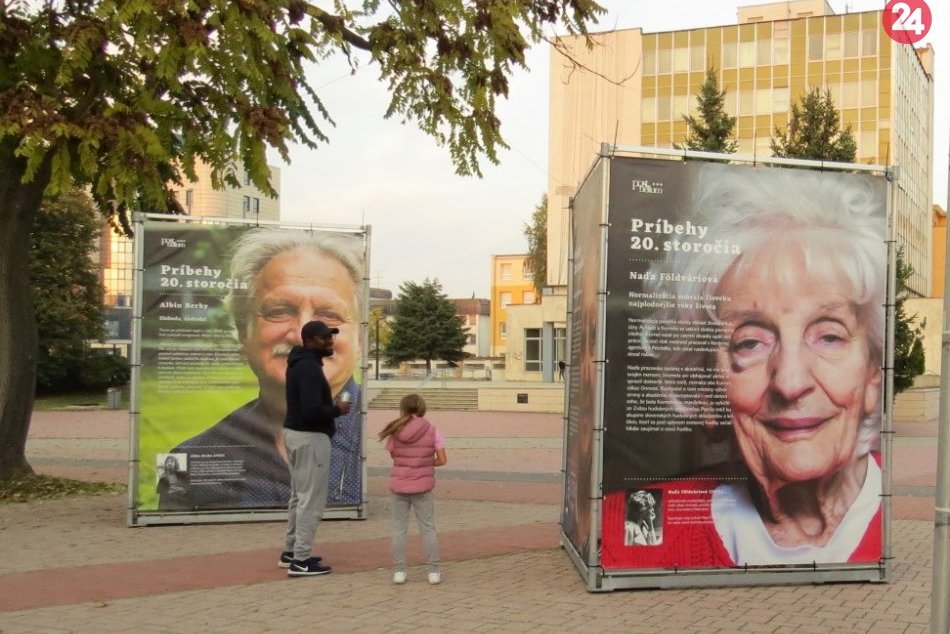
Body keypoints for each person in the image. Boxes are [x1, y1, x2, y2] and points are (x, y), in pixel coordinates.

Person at [601, 164, 886, 568]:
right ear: (705, 390)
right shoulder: (633, 525)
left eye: (829, 336)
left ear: (872, 373)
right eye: (749, 341)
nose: (790, 383)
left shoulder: (911, 518)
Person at [160, 229, 364, 511]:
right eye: (280, 311)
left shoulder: (382, 437)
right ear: (244, 329)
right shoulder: (188, 461)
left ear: (360, 337)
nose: (301, 335)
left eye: (329, 315)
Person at [281, 320, 350, 576]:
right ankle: (301, 560)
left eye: (330, 337)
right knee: (311, 499)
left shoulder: (299, 363)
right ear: (309, 340)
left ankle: (290, 552)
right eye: (324, 338)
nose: (329, 342)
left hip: (295, 433)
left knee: (299, 496)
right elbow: (312, 411)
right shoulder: (309, 367)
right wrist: (337, 410)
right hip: (309, 437)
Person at [378, 394, 447, 585]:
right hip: (422, 487)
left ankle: (399, 571)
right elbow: (442, 460)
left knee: (399, 529)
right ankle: (433, 572)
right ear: (422, 408)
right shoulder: (433, 430)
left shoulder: (395, 430)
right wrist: (425, 463)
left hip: (399, 486)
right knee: (428, 529)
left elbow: (394, 455)